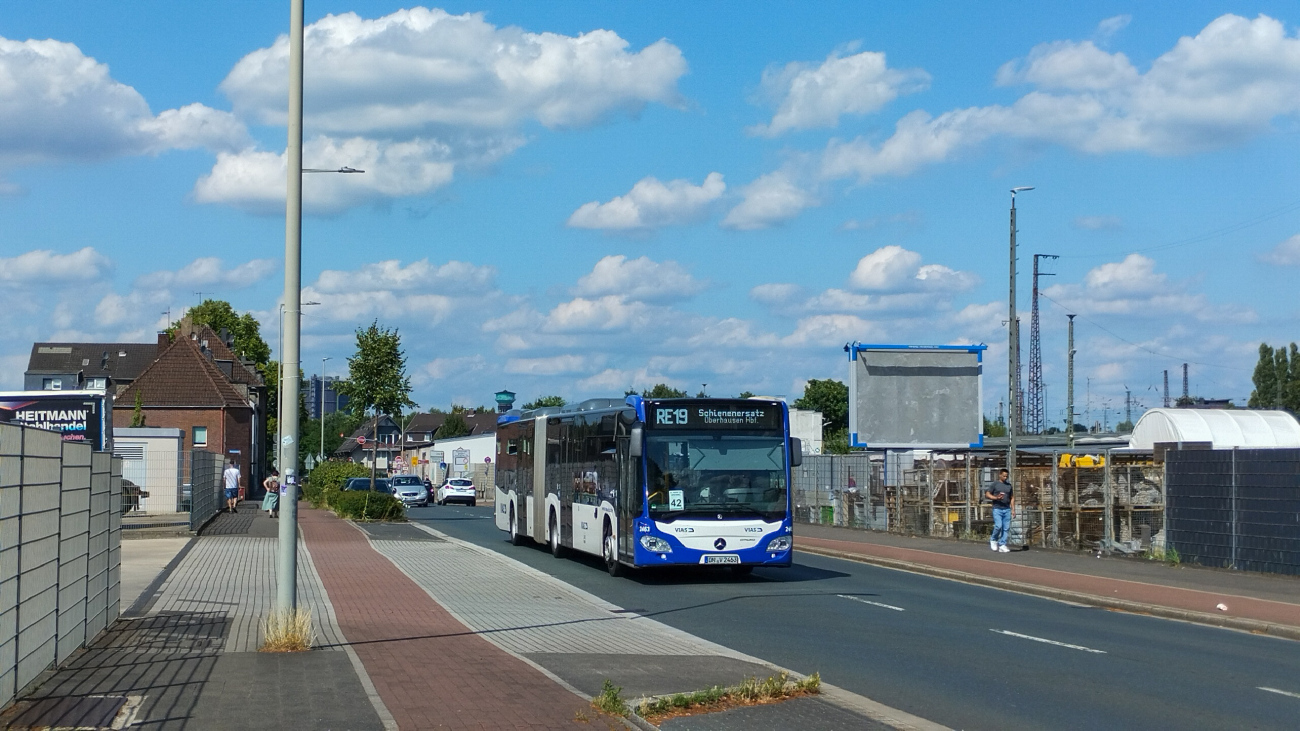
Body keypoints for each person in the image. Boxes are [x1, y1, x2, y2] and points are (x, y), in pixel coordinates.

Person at [985, 468, 1014, 553]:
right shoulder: (995, 484)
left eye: (1007, 476)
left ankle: (1002, 544)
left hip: (1007, 509)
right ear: (1000, 475)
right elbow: (987, 493)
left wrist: (1013, 509)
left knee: (1006, 527)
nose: (1005, 477)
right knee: (998, 526)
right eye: (1004, 476)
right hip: (997, 508)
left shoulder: (1009, 485)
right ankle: (993, 540)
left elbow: (1012, 497)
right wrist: (996, 498)